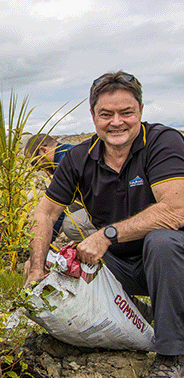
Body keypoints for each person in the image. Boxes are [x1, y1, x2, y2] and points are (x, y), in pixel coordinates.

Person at [26, 71, 184, 378]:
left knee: (161, 242)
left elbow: (176, 210)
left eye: (126, 113)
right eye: (106, 114)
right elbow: (45, 213)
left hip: (174, 260)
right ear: (93, 115)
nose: (117, 122)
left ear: (140, 111)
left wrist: (107, 235)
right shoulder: (77, 158)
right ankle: (141, 317)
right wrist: (36, 267)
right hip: (122, 263)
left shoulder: (163, 142)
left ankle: (171, 356)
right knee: (67, 260)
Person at [24, 134, 96, 242]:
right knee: (71, 207)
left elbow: (57, 212)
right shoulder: (70, 150)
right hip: (102, 199)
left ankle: (112, 247)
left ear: (43, 150)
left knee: (70, 225)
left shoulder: (64, 162)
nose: (37, 169)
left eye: (35, 163)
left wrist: (41, 247)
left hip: (114, 208)